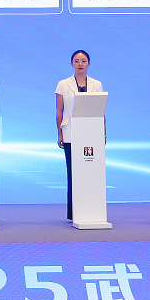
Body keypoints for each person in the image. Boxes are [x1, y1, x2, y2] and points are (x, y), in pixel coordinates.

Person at [55, 50, 99, 220]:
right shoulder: (63, 84)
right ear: (71, 64)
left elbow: (100, 110)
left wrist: (102, 133)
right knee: (73, 172)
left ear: (89, 64)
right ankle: (74, 211)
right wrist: (59, 133)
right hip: (70, 132)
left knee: (90, 171)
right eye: (77, 61)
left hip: (91, 132)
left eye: (83, 61)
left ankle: (90, 207)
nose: (80, 64)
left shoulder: (97, 84)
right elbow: (59, 111)